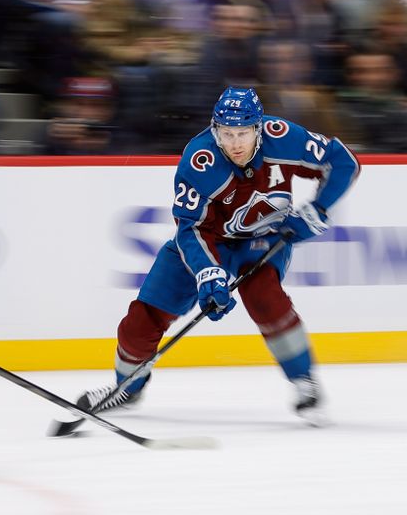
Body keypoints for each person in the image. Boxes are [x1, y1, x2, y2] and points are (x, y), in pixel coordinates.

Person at [77, 86, 360, 426]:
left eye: (243, 133)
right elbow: (191, 229)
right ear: (215, 130)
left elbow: (343, 160)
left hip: (262, 239)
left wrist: (317, 208)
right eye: (227, 134)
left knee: (265, 296)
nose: (236, 143)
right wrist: (209, 274)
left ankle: (305, 383)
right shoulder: (199, 160)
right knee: (144, 317)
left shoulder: (284, 137)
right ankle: (127, 387)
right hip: (208, 240)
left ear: (259, 127)